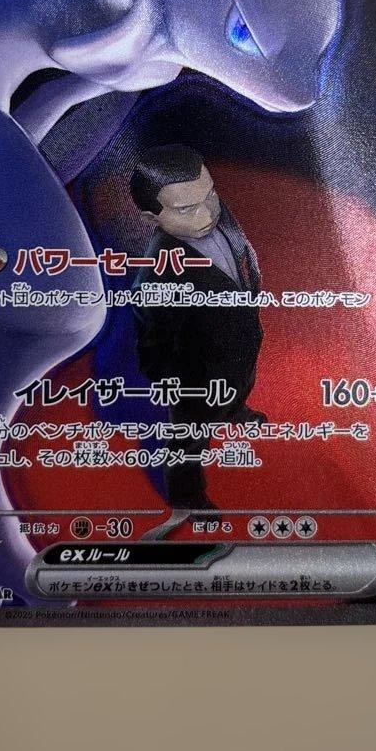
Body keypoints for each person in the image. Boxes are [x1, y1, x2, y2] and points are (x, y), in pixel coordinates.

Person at [130, 144, 266, 514]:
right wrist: (176, 382)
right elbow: (152, 341)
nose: (207, 213)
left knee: (241, 384)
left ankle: (234, 410)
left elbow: (241, 252)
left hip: (240, 342)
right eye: (186, 208)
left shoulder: (219, 215)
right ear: (152, 217)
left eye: (210, 195)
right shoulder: (156, 273)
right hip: (197, 375)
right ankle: (186, 496)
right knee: (189, 436)